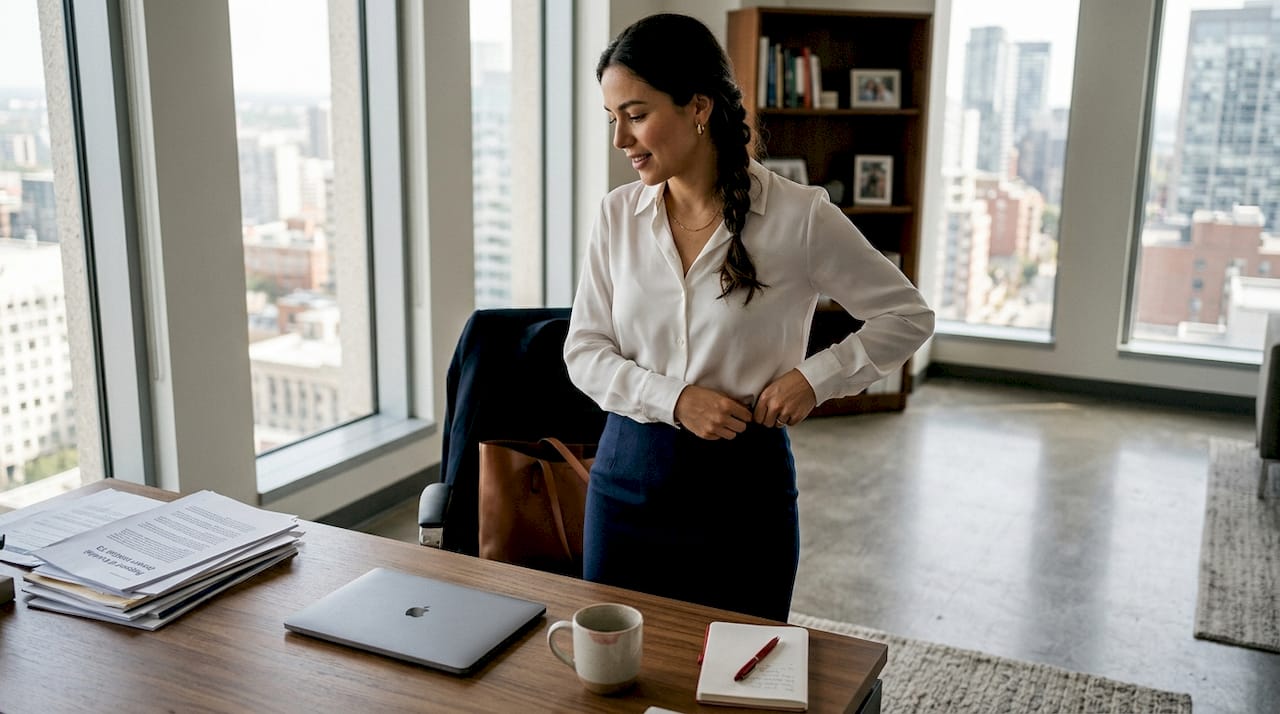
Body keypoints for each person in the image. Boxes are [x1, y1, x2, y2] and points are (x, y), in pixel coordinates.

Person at [564, 13, 934, 621]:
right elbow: (585, 351)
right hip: (624, 483)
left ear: (698, 107)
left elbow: (906, 315)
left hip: (743, 493)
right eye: (612, 119)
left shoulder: (799, 217)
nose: (620, 141)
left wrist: (815, 379)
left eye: (635, 115)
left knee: (740, 681)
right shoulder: (616, 216)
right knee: (619, 677)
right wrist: (675, 400)